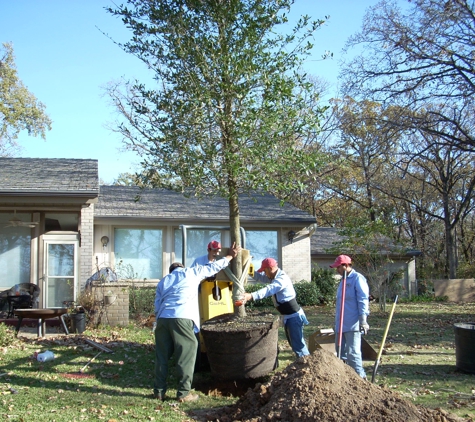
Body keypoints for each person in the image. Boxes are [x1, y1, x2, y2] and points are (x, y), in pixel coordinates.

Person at [153, 242, 241, 402]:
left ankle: (159, 391)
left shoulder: (163, 281)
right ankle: (183, 393)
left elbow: (157, 305)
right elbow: (213, 268)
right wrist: (230, 256)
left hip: (163, 319)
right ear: (181, 267)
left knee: (162, 356)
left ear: (171, 271)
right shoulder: (190, 272)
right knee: (186, 353)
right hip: (182, 316)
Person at [242, 257, 310, 358]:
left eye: (265, 271)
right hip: (289, 316)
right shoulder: (273, 277)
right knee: (294, 343)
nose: (264, 274)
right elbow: (260, 278)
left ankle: (307, 364)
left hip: (294, 317)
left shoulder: (281, 279)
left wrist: (251, 296)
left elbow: (269, 289)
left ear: (270, 268)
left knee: (298, 346)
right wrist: (249, 269)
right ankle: (302, 364)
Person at [330, 254, 370, 379]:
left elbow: (363, 300)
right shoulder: (343, 280)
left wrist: (363, 320)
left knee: (353, 354)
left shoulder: (357, 279)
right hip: (341, 324)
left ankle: (361, 379)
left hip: (353, 323)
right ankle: (345, 380)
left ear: (346, 265)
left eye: (339, 267)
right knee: (340, 354)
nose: (337, 270)